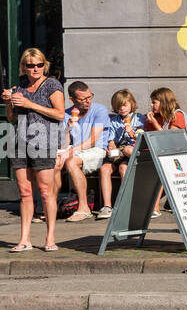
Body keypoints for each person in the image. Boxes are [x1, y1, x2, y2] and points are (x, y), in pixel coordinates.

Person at [3, 48, 64, 251]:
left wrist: (30, 103)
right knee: (25, 192)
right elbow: (11, 118)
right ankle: (25, 240)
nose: (35, 68)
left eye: (39, 64)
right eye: (30, 65)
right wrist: (8, 103)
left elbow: (60, 114)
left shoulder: (52, 85)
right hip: (19, 142)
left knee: (46, 192)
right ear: (24, 67)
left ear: (44, 64)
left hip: (43, 141)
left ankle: (50, 238)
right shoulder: (19, 85)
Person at [53, 81, 111, 222]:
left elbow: (92, 140)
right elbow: (64, 144)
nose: (88, 101)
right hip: (76, 150)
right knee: (53, 162)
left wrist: (70, 151)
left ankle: (84, 208)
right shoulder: (67, 114)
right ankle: (51, 206)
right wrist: (68, 129)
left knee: (72, 161)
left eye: (89, 97)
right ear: (72, 99)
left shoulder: (99, 110)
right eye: (83, 99)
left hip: (97, 150)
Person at [144, 87, 187, 217]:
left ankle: (155, 207)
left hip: (182, 158)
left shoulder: (178, 115)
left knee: (160, 168)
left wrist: (154, 123)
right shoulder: (160, 117)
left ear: (164, 102)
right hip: (168, 156)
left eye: (154, 102)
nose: (151, 105)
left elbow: (169, 139)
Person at [99, 90, 146, 220]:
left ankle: (128, 204)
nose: (122, 109)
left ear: (131, 104)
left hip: (132, 152)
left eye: (124, 105)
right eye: (118, 107)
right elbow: (112, 140)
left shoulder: (140, 118)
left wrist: (131, 132)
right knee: (104, 168)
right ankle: (107, 206)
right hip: (119, 152)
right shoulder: (114, 121)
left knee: (123, 167)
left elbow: (142, 139)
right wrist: (111, 147)